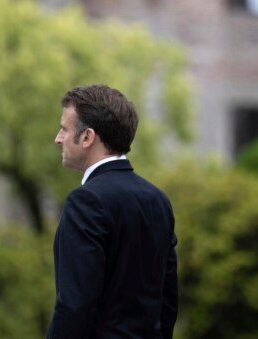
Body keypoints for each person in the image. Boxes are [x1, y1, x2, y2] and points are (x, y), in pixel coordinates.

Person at [47, 84, 178, 339]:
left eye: (65, 129)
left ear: (87, 137)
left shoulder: (85, 201)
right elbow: (168, 300)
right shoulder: (158, 200)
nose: (58, 138)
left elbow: (75, 305)